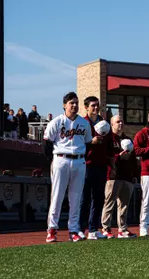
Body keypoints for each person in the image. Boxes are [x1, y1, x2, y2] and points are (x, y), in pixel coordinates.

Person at [44, 92, 92, 243]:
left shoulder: (84, 123)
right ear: (64, 105)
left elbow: (88, 144)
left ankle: (73, 230)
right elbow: (46, 144)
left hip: (79, 161)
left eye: (76, 102)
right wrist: (52, 160)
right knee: (57, 196)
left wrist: (82, 158)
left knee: (76, 198)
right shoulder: (56, 122)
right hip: (61, 159)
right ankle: (52, 230)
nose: (74, 105)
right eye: (71, 102)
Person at [101, 115, 138, 238]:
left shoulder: (127, 139)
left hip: (127, 176)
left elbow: (133, 159)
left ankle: (122, 229)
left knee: (124, 205)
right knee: (109, 203)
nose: (120, 124)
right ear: (112, 124)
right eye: (117, 122)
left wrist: (134, 175)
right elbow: (105, 158)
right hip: (113, 176)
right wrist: (118, 156)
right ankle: (106, 228)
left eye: (122, 121)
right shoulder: (108, 139)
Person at [79, 96, 110, 240]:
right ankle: (79, 229)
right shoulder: (82, 123)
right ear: (86, 107)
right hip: (86, 165)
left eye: (97, 106)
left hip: (101, 165)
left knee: (98, 199)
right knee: (84, 199)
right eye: (93, 106)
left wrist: (111, 163)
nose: (96, 108)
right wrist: (91, 142)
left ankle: (93, 229)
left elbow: (108, 145)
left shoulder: (104, 123)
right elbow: (77, 145)